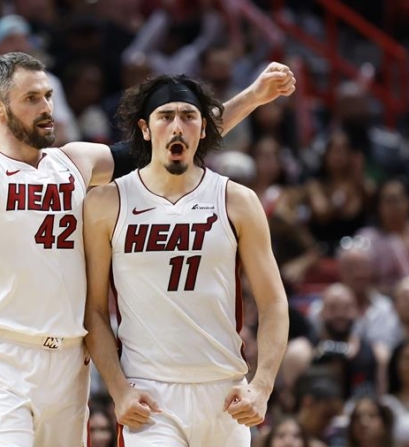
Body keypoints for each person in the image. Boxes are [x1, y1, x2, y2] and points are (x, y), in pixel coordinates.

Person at [0, 46, 294, 446]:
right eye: (32, 98)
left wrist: (252, 98)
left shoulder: (76, 162)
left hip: (71, 360)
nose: (46, 108)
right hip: (2, 354)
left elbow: (172, 138)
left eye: (49, 96)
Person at [82, 73, 290, 446]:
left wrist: (262, 386)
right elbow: (93, 310)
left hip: (225, 392)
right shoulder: (106, 203)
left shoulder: (237, 201)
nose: (177, 127)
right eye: (165, 117)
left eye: (188, 116)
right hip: (150, 394)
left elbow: (274, 302)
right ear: (145, 129)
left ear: (204, 129)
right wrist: (118, 390)